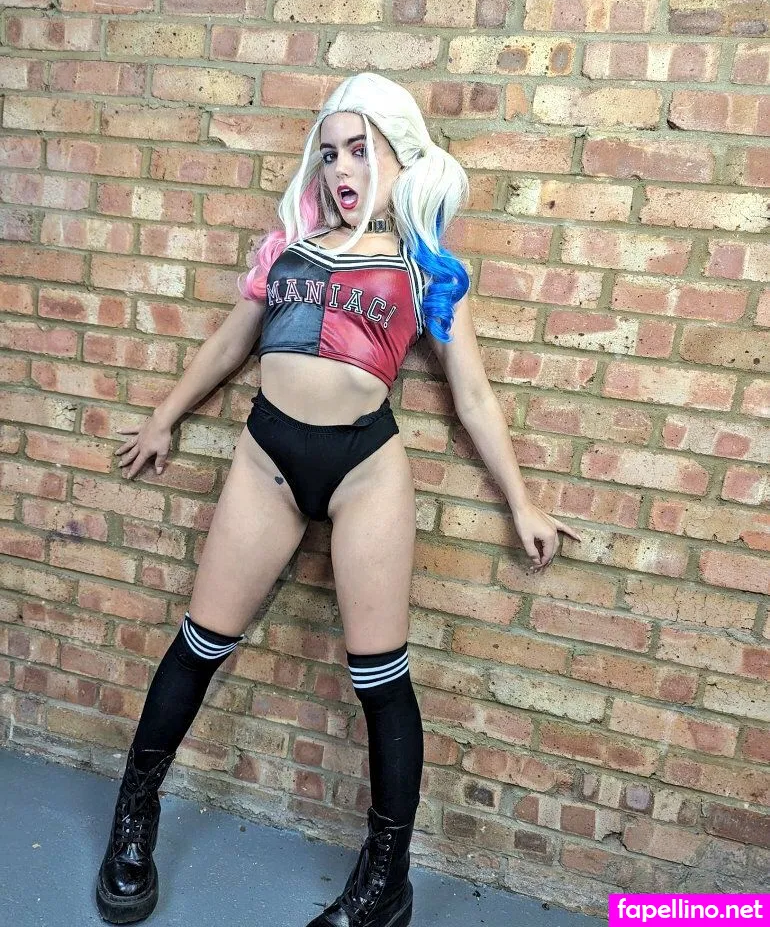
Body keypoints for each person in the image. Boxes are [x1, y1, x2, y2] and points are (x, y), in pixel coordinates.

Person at [95, 72, 580, 927]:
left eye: (360, 148)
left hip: (365, 470)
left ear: (401, 154)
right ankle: (134, 820)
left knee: (380, 681)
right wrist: (164, 417)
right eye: (329, 153)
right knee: (199, 644)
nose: (342, 167)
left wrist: (521, 502)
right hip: (268, 459)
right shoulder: (289, 245)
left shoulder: (424, 265)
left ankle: (384, 883)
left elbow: (472, 395)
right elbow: (231, 344)